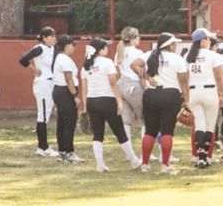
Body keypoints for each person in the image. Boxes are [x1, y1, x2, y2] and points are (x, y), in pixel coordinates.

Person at [79, 38, 141, 172]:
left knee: (97, 134)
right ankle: (134, 161)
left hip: (92, 101)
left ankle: (100, 165)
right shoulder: (107, 62)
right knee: (120, 132)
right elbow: (113, 82)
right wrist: (119, 101)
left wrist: (85, 107)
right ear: (100, 50)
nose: (107, 49)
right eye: (105, 47)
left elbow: (84, 88)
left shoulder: (86, 66)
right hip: (107, 100)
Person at [134, 33, 189, 173]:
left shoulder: (149, 55)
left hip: (151, 94)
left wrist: (147, 77)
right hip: (170, 94)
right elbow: (183, 82)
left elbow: (133, 65)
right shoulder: (177, 58)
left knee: (150, 131)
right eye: (174, 44)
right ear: (169, 45)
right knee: (167, 131)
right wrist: (186, 100)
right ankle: (165, 165)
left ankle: (145, 164)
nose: (175, 46)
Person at [187, 28, 223, 168]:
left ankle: (200, 157)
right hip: (209, 90)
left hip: (194, 92)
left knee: (199, 125)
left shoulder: (189, 55)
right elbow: (219, 75)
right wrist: (221, 93)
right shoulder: (213, 55)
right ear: (202, 40)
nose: (209, 41)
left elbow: (185, 77)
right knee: (209, 126)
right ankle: (205, 157)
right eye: (208, 39)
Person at [19, 27, 58, 157]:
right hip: (43, 84)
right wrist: (34, 69)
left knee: (46, 114)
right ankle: (43, 147)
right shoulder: (39, 48)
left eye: (54, 36)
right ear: (44, 38)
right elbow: (23, 59)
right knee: (43, 115)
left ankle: (44, 146)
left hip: (51, 82)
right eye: (51, 36)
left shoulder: (54, 49)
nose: (54, 38)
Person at [51, 35, 82, 163]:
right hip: (65, 92)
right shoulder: (64, 59)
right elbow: (68, 79)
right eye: (73, 45)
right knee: (70, 122)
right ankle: (69, 152)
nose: (74, 47)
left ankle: (62, 151)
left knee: (62, 122)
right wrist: (75, 96)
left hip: (60, 91)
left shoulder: (60, 58)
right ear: (67, 45)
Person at [114, 27, 145, 141]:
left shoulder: (118, 53)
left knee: (126, 121)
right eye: (137, 36)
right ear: (132, 39)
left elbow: (117, 72)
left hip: (121, 85)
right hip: (134, 85)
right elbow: (141, 73)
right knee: (144, 119)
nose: (139, 38)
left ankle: (129, 151)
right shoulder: (138, 52)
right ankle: (145, 152)